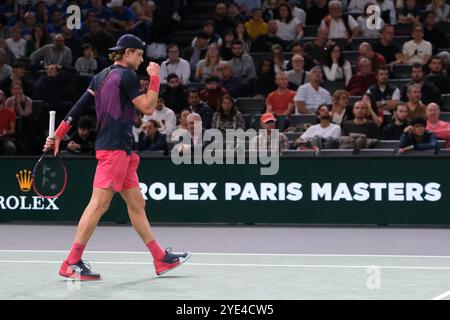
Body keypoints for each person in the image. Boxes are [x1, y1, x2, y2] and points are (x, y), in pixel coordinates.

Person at [43, 34, 190, 281]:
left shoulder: (101, 76)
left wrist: (58, 134)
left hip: (121, 150)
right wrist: (155, 78)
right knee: (99, 205)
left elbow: (78, 107)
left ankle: (160, 258)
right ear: (128, 53)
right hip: (114, 151)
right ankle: (71, 261)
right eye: (140, 54)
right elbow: (147, 108)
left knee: (137, 205)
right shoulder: (127, 76)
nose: (142, 59)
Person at [0, 89, 16, 155]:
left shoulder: (10, 112)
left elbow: (12, 130)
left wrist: (6, 132)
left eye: (0, 95)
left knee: (11, 147)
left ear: (4, 97)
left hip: (4, 138)